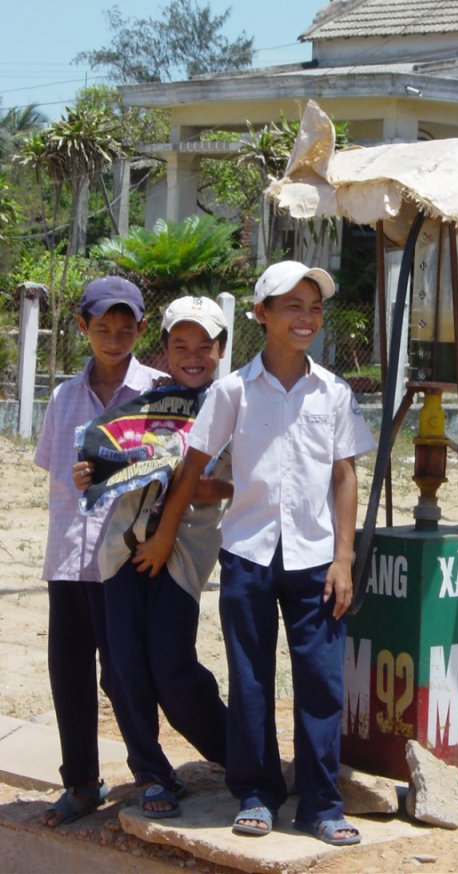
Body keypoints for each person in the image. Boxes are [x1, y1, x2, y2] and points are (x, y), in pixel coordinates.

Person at [133, 261, 376, 846]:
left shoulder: (333, 392)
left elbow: (344, 478)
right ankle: (257, 793)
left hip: (317, 559)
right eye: (292, 306)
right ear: (262, 314)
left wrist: (344, 558)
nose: (306, 318)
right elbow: (194, 466)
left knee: (320, 681)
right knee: (250, 679)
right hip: (248, 554)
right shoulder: (233, 390)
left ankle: (320, 802)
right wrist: (165, 534)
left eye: (314, 307)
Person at [34, 276, 166, 828]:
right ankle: (81, 782)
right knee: (69, 672)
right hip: (68, 557)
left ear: (141, 328)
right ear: (83, 328)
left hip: (124, 559)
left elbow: (174, 463)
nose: (115, 338)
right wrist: (80, 473)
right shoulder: (65, 397)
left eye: (126, 327)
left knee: (124, 671)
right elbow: (53, 473)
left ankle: (151, 773)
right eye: (103, 327)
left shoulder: (156, 390)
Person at [95, 295, 232, 819]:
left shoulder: (236, 403)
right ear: (167, 349)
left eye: (204, 345)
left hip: (182, 555)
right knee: (125, 667)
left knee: (172, 668)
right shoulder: (149, 398)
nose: (192, 355)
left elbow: (232, 485)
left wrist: (184, 483)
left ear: (221, 349)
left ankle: (236, 755)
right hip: (121, 551)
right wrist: (98, 470)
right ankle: (152, 774)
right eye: (181, 345)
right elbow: (109, 454)